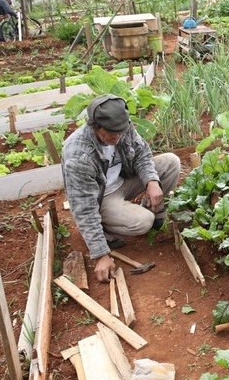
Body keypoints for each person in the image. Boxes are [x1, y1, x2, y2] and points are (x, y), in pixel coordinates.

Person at [61, 94, 181, 282]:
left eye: (120, 131)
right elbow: (84, 209)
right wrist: (100, 254)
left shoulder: (121, 127)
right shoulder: (78, 156)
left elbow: (142, 153)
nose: (116, 136)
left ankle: (153, 207)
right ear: (94, 125)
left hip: (123, 180)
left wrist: (151, 181)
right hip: (102, 197)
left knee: (171, 162)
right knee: (143, 222)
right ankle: (107, 230)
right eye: (111, 132)